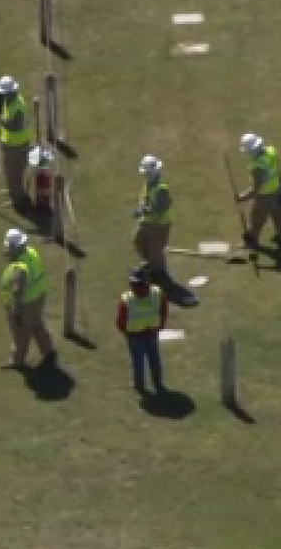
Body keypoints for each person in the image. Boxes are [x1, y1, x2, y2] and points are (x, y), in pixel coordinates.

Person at [0, 228, 57, 369]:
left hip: (25, 303)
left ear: (15, 248)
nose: (7, 250)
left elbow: (18, 289)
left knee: (20, 333)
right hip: (38, 297)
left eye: (9, 247)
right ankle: (48, 350)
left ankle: (17, 360)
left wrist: (16, 310)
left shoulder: (19, 268)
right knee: (37, 324)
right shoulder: (31, 252)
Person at [236, 132, 281, 250]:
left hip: (265, 196)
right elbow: (277, 167)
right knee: (277, 213)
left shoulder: (257, 166)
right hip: (276, 188)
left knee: (256, 218)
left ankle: (252, 242)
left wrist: (242, 197)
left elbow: (256, 188)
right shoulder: (271, 151)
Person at [116, 264, 169, 393]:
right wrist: (160, 326)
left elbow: (120, 320)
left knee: (138, 362)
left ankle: (139, 385)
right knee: (154, 359)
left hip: (135, 336)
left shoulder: (127, 299)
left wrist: (125, 331)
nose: (133, 287)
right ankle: (157, 383)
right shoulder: (157, 293)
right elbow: (164, 310)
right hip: (150, 333)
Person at [0, 77, 33, 209]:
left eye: (4, 93)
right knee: (9, 171)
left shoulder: (17, 106)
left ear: (10, 92)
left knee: (14, 173)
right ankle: (14, 192)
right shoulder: (10, 101)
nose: (3, 96)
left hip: (16, 145)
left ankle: (18, 200)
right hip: (10, 143)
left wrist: (0, 121)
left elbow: (15, 126)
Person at [131, 155, 173, 278]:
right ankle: (150, 265)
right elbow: (146, 201)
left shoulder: (161, 189)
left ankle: (161, 276)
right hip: (148, 222)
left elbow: (159, 209)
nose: (145, 176)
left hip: (160, 225)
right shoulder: (149, 184)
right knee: (138, 241)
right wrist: (141, 208)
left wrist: (143, 211)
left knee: (156, 252)